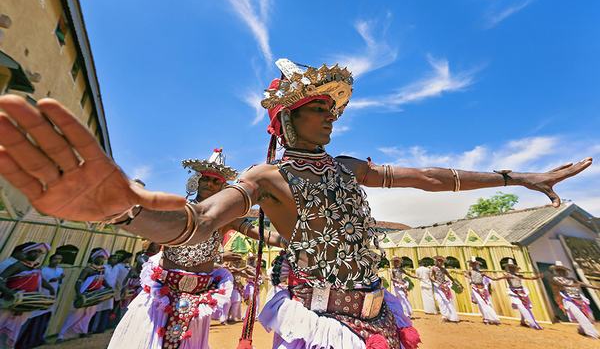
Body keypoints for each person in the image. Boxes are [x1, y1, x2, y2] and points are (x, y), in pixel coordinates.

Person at [0, 58, 592, 348]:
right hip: (319, 323)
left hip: (382, 314)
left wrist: (515, 175)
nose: (331, 118)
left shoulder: (347, 166)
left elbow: (430, 178)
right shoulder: (266, 176)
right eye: (319, 109)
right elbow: (199, 222)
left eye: (333, 112)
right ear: (287, 118)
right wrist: (121, 212)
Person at [107, 149, 282, 349]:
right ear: (196, 181)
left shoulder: (228, 219)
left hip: (200, 295)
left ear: (223, 188)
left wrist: (291, 241)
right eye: (206, 179)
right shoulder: (177, 209)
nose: (209, 184)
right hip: (161, 293)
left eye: (216, 181)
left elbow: (261, 233)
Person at [0, 242, 53, 349]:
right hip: (10, 301)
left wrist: (50, 288)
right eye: (35, 251)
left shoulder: (36, 268)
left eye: (39, 252)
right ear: (27, 253)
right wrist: (10, 293)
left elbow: (40, 280)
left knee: (13, 331)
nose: (37, 254)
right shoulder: (17, 265)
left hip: (26, 302)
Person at [57, 248, 112, 342]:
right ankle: (62, 335)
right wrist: (78, 293)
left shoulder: (102, 270)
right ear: (94, 258)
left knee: (89, 314)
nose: (102, 260)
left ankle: (81, 331)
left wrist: (109, 287)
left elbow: (102, 280)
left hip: (94, 295)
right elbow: (79, 282)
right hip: (85, 295)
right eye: (100, 257)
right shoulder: (88, 269)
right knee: (75, 314)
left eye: (103, 258)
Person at [16, 253, 65, 348]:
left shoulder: (60, 270)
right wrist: (58, 278)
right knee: (34, 319)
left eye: (59, 259)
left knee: (45, 318)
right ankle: (26, 342)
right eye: (55, 259)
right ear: (51, 259)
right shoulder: (43, 269)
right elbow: (44, 282)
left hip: (51, 298)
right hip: (41, 296)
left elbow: (58, 284)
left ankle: (39, 339)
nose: (57, 261)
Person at [550, 260, 600, 339]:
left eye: (562, 270)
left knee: (590, 317)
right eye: (559, 270)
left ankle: (581, 330)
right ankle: (592, 333)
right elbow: (561, 285)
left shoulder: (571, 279)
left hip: (579, 298)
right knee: (580, 316)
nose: (561, 272)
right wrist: (573, 285)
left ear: (565, 271)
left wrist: (596, 287)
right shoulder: (555, 279)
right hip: (568, 300)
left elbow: (582, 284)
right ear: (556, 271)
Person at [491, 259, 542, 329]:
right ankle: (532, 323)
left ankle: (523, 321)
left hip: (522, 291)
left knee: (526, 307)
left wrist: (537, 277)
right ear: (508, 268)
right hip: (514, 292)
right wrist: (488, 277)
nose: (511, 268)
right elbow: (496, 279)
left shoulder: (519, 275)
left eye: (512, 267)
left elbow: (530, 278)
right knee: (522, 307)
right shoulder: (507, 275)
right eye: (510, 267)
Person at [464, 257, 500, 325]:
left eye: (475, 264)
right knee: (481, 303)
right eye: (472, 264)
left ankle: (490, 318)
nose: (474, 265)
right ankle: (486, 318)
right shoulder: (470, 271)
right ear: (471, 265)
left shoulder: (481, 272)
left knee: (487, 303)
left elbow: (493, 278)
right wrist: (470, 279)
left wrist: (501, 278)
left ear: (477, 264)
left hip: (483, 288)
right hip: (475, 288)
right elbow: (465, 274)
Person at [89, 254, 120, 334]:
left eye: (116, 258)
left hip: (110, 291)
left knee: (106, 310)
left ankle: (101, 328)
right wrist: (107, 286)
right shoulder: (104, 267)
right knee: (96, 310)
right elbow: (101, 278)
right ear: (109, 259)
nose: (115, 260)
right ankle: (91, 328)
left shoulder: (117, 268)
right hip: (101, 290)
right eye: (113, 258)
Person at [430, 256, 460, 323]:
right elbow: (431, 277)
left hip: (444, 286)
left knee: (447, 300)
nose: (440, 262)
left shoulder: (443, 269)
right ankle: (444, 316)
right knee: (440, 301)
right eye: (438, 260)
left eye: (441, 261)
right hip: (437, 286)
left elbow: (449, 276)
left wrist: (456, 283)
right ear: (436, 261)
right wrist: (436, 282)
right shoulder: (433, 268)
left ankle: (451, 316)